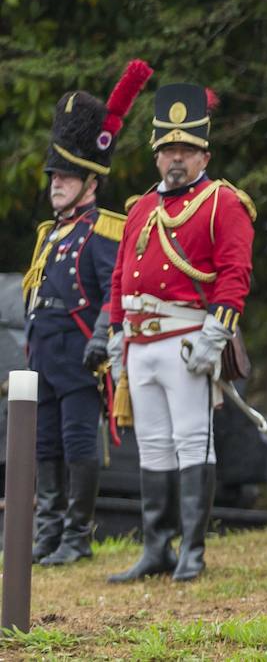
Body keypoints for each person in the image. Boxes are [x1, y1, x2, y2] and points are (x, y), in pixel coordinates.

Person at [108, 83, 257, 583]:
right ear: (156, 156)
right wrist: (114, 333)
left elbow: (236, 275)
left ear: (204, 155)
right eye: (168, 149)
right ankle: (156, 547)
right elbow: (119, 276)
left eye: (186, 150)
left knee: (194, 442)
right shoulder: (139, 208)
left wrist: (216, 335)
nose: (176, 158)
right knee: (152, 446)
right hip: (140, 342)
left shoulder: (222, 202)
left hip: (187, 338)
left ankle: (192, 549)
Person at [23, 60, 152, 566]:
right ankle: (47, 533)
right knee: (44, 447)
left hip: (80, 359)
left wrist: (102, 341)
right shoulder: (48, 233)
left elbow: (111, 293)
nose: (57, 183)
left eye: (68, 176)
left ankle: (77, 536)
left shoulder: (105, 230)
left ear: (90, 182)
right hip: (43, 359)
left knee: (78, 446)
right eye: (55, 174)